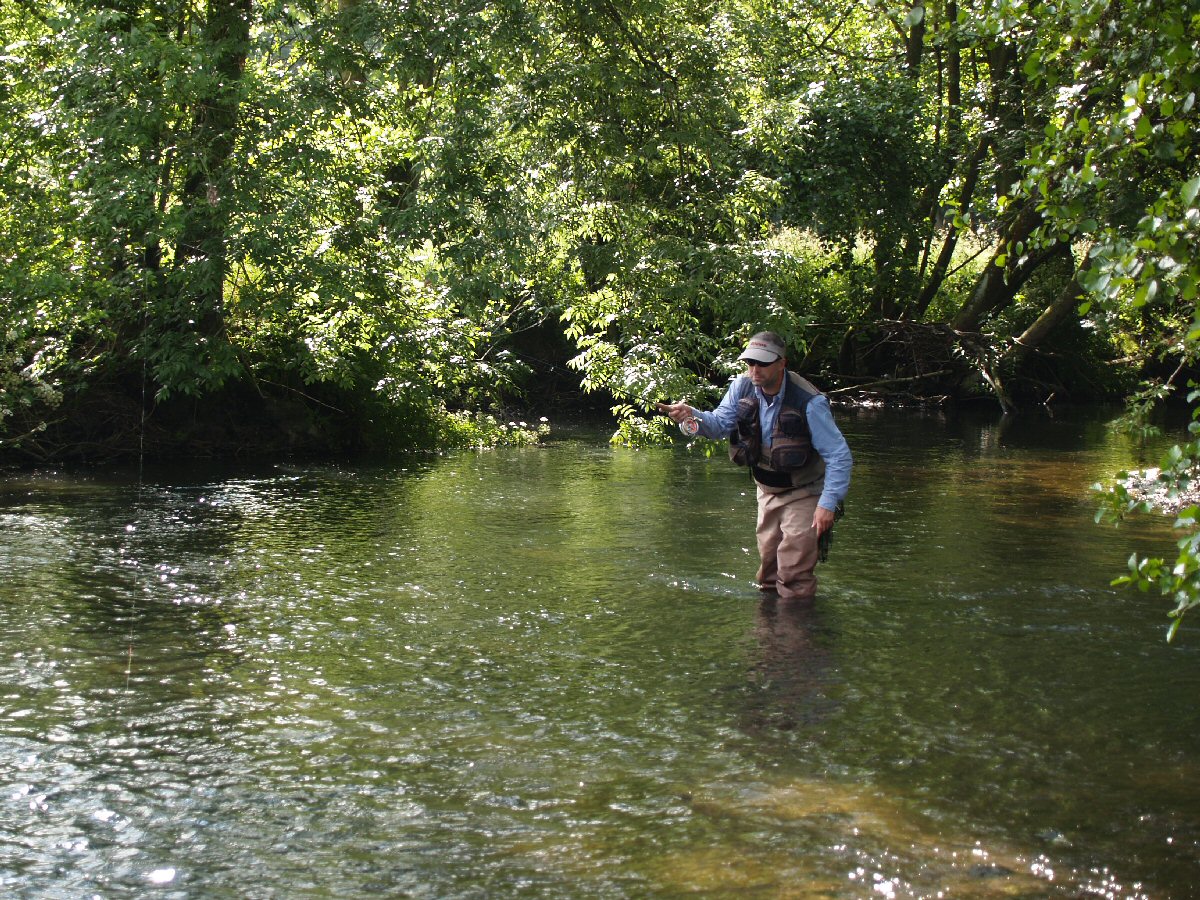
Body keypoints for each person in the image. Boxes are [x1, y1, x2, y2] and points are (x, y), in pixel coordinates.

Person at [657, 331, 852, 601]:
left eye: (762, 363)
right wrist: (691, 416)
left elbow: (839, 455)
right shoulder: (742, 386)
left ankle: (799, 636)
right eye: (750, 362)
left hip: (806, 492)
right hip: (767, 491)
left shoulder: (810, 402)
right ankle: (769, 635)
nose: (754, 369)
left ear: (782, 363)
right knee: (768, 575)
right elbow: (718, 425)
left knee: (793, 575)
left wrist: (827, 504)